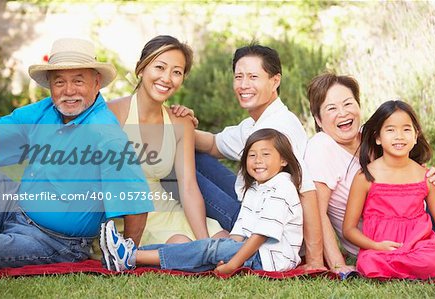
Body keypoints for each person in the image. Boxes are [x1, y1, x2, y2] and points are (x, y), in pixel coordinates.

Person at [0, 38, 154, 270]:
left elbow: (136, 204)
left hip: (53, 242)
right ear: (50, 85)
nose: (69, 91)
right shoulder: (44, 110)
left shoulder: (106, 135)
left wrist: (126, 255)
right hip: (15, 206)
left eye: (78, 81)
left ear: (96, 83)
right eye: (60, 82)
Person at [192, 44, 325, 270]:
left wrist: (314, 260)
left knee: (177, 166)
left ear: (275, 81)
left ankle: (201, 243)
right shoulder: (256, 123)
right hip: (251, 207)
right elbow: (213, 144)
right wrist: (177, 123)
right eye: (239, 77)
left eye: (253, 77)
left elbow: (308, 191)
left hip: (263, 226)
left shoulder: (278, 127)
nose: (244, 85)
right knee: (192, 155)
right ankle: (205, 239)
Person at [101, 128, 304, 273]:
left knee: (208, 249)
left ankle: (131, 256)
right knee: (208, 251)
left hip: (271, 259)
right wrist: (226, 250)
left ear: (284, 160)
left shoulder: (282, 187)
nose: (258, 160)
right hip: (253, 251)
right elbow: (241, 230)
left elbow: (260, 235)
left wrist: (232, 263)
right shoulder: (255, 188)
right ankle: (126, 255)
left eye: (266, 155)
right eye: (252, 155)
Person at [305, 72, 435, 273]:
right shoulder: (322, 145)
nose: (343, 113)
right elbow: (317, 209)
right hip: (376, 239)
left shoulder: (370, 136)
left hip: (418, 221)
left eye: (348, 104)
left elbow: (404, 166)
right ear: (318, 119)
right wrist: (337, 264)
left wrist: (431, 177)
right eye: (332, 108)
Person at [106, 35, 226, 246]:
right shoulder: (113, 114)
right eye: (160, 67)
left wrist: (204, 241)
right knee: (181, 244)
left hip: (167, 212)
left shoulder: (181, 122)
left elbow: (188, 187)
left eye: (177, 72)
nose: (167, 78)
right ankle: (129, 254)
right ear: (141, 69)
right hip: (129, 220)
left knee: (224, 241)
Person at [342, 100, 435, 279]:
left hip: (419, 246)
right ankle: (408, 270)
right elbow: (348, 229)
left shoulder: (425, 177)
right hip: (379, 250)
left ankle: (409, 268)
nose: (399, 136)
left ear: (415, 135)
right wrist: (376, 246)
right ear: (378, 138)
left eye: (406, 129)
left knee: (434, 258)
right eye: (390, 130)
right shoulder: (365, 177)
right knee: (369, 262)